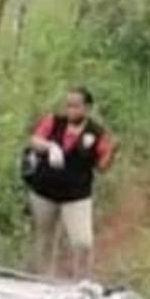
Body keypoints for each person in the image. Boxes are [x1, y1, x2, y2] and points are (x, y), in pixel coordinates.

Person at [22, 87, 116, 279]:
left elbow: (101, 167)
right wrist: (50, 146)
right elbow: (35, 140)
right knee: (44, 239)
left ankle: (81, 281)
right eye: (68, 105)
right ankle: (43, 279)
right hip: (44, 191)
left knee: (83, 242)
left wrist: (112, 152)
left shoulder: (97, 133)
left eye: (76, 106)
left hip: (76, 195)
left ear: (87, 108)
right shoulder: (54, 121)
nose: (71, 110)